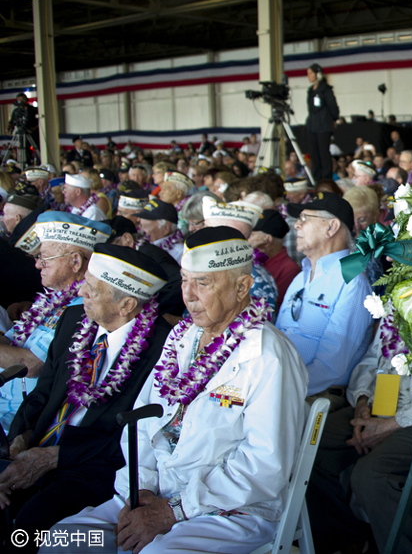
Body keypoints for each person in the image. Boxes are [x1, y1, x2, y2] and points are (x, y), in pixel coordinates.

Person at [42, 227, 307, 554]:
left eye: (203, 282)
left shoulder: (268, 355)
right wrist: (141, 491)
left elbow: (264, 467)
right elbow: (140, 423)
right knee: (63, 539)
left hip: (229, 509)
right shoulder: (183, 337)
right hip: (157, 493)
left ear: (242, 287)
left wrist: (175, 509)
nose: (189, 295)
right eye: (184, 280)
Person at [0, 245, 171, 542]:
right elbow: (43, 392)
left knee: (29, 523)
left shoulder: (162, 351)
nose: (80, 293)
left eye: (92, 289)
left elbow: (136, 436)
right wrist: (20, 438)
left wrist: (56, 457)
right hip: (38, 444)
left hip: (94, 463)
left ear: (127, 304)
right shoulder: (74, 320)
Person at [306, 319, 412, 554]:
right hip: (381, 406)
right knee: (310, 448)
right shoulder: (399, 299)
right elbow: (372, 358)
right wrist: (362, 401)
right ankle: (345, 540)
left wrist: (391, 424)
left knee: (371, 475)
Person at [0, 212, 110, 430]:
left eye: (44, 258)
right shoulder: (54, 300)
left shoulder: (84, 310)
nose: (38, 266)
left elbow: (30, 365)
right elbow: (10, 342)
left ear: (75, 262)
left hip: (14, 419)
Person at [275, 192, 374, 397]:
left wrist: (280, 390)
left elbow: (331, 366)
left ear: (331, 227)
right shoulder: (299, 278)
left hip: (314, 394)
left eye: (304, 219)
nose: (296, 226)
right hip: (279, 384)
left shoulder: (352, 280)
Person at [201, 198, 278, 311]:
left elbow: (255, 324)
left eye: (208, 230)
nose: (200, 235)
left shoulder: (254, 277)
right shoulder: (214, 267)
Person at [248, 209, 300, 307]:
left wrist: (248, 248)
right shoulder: (259, 260)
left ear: (267, 240)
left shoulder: (289, 269)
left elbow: (273, 306)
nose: (248, 238)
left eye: (252, 235)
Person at [306, 63, 341, 182]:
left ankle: (326, 178)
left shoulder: (326, 89)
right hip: (312, 125)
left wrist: (334, 119)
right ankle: (315, 178)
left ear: (318, 74)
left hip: (323, 125)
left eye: (310, 73)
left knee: (323, 153)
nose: (308, 76)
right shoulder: (311, 90)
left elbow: (333, 107)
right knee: (314, 153)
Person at [132, 198, 184, 263]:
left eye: (146, 226)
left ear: (166, 227)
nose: (141, 230)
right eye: (141, 225)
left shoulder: (180, 253)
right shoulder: (140, 243)